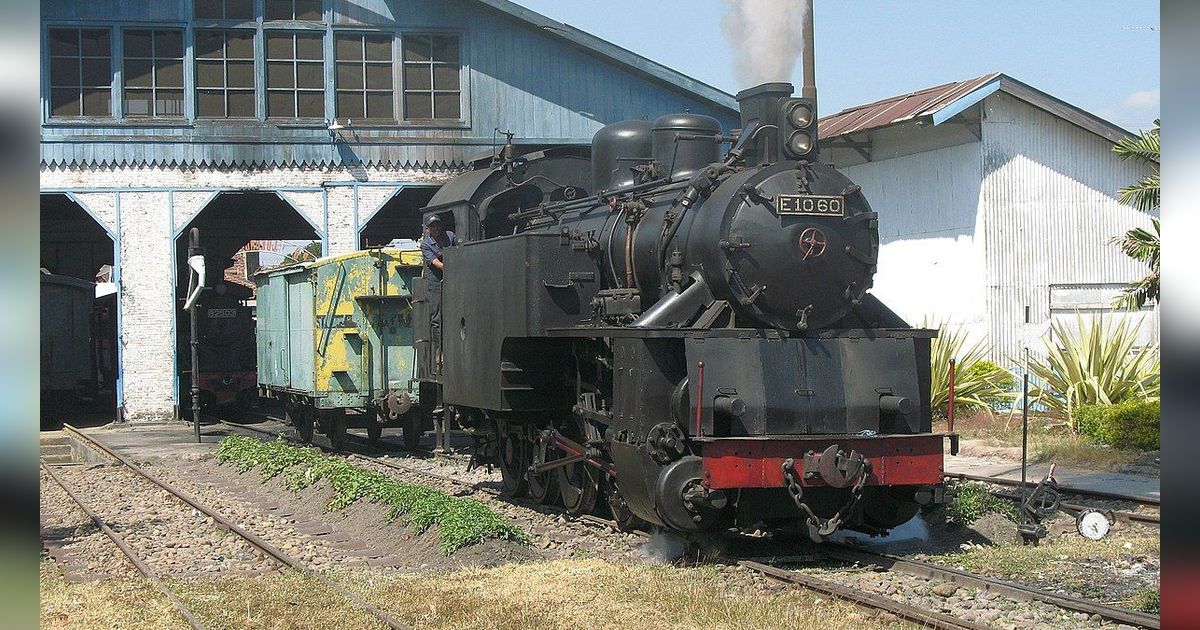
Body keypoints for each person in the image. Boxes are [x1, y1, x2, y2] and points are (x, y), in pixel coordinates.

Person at [419, 214, 455, 369]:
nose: (436, 228)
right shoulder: (425, 244)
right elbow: (434, 262)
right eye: (433, 226)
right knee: (437, 318)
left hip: (454, 279)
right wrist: (452, 267)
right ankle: (439, 353)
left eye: (438, 225)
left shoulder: (450, 236)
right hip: (436, 282)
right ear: (428, 229)